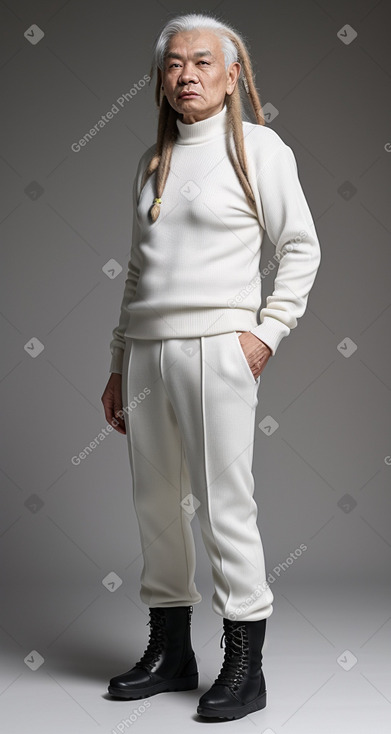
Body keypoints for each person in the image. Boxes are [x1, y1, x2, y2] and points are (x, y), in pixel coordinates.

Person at [101, 11, 321, 721]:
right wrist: (115, 363)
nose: (186, 73)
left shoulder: (259, 148)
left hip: (216, 349)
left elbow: (299, 248)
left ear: (232, 76)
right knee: (154, 506)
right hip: (145, 351)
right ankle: (170, 653)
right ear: (161, 80)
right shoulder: (152, 162)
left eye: (202, 61)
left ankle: (244, 669)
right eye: (173, 63)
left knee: (226, 506)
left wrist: (267, 332)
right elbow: (137, 272)